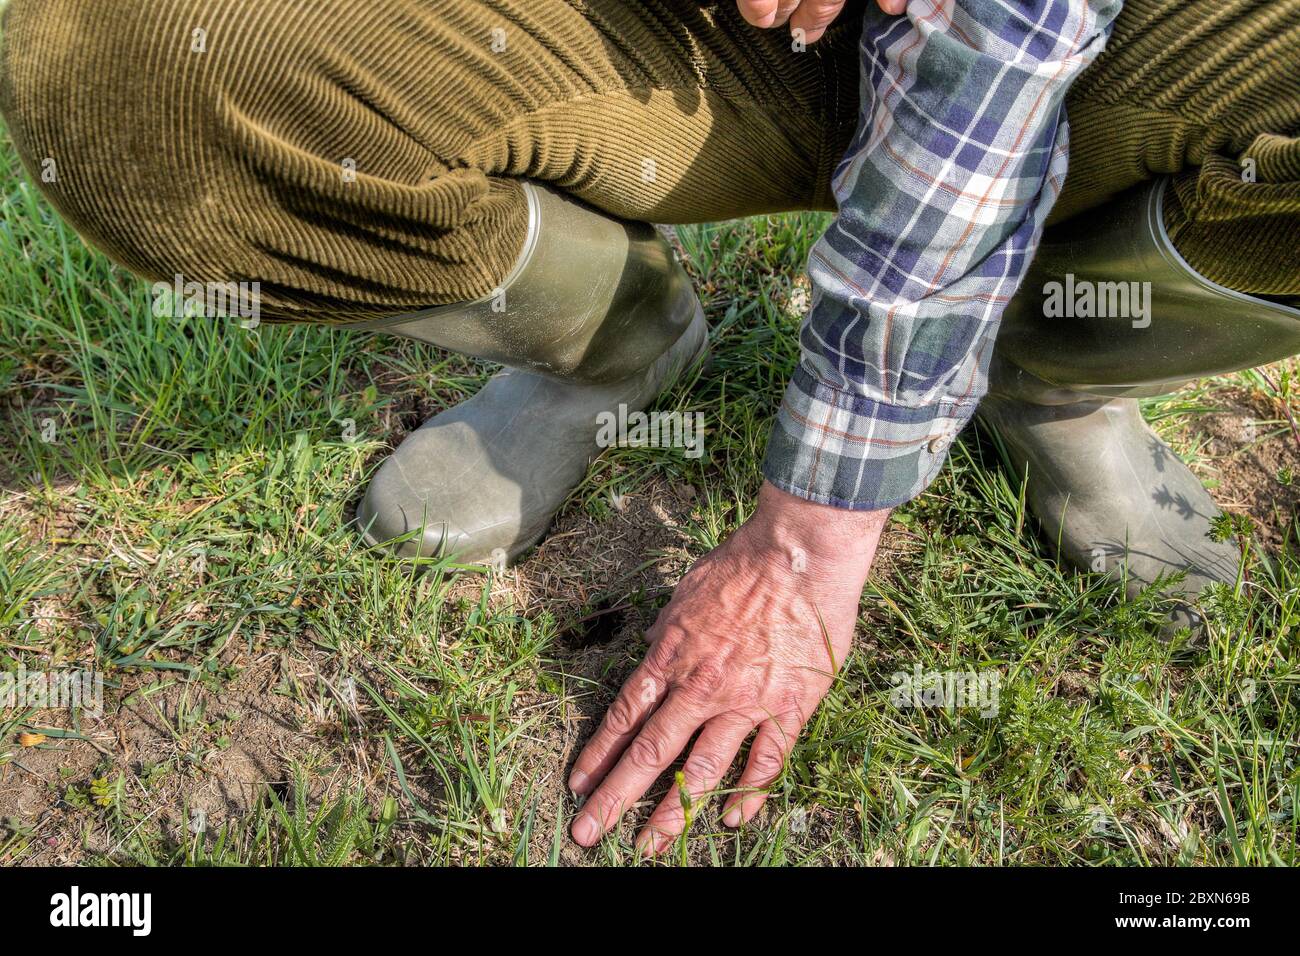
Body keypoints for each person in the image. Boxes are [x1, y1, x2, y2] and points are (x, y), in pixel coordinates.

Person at [1, 0, 1296, 854]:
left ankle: (1051, 358)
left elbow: (984, 74)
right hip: (690, 34)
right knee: (124, 56)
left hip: (1120, 42)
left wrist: (806, 549)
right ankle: (607, 333)